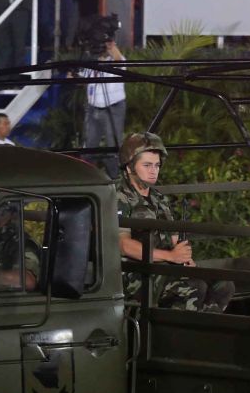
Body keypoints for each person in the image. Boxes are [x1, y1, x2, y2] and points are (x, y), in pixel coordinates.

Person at [116, 132, 233, 312]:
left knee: (223, 285)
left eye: (157, 165)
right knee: (194, 286)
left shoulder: (158, 198)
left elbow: (173, 237)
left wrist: (185, 258)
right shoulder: (119, 196)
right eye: (147, 165)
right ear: (130, 167)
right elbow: (123, 244)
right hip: (137, 274)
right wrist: (170, 256)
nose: (153, 170)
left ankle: (205, 329)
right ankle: (178, 335)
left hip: (164, 268)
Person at [79, 41, 129, 175]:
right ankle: (86, 176)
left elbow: (120, 60)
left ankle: (116, 179)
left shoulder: (114, 61)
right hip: (92, 108)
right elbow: (80, 77)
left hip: (113, 108)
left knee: (113, 146)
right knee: (89, 145)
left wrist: (110, 46)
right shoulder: (90, 65)